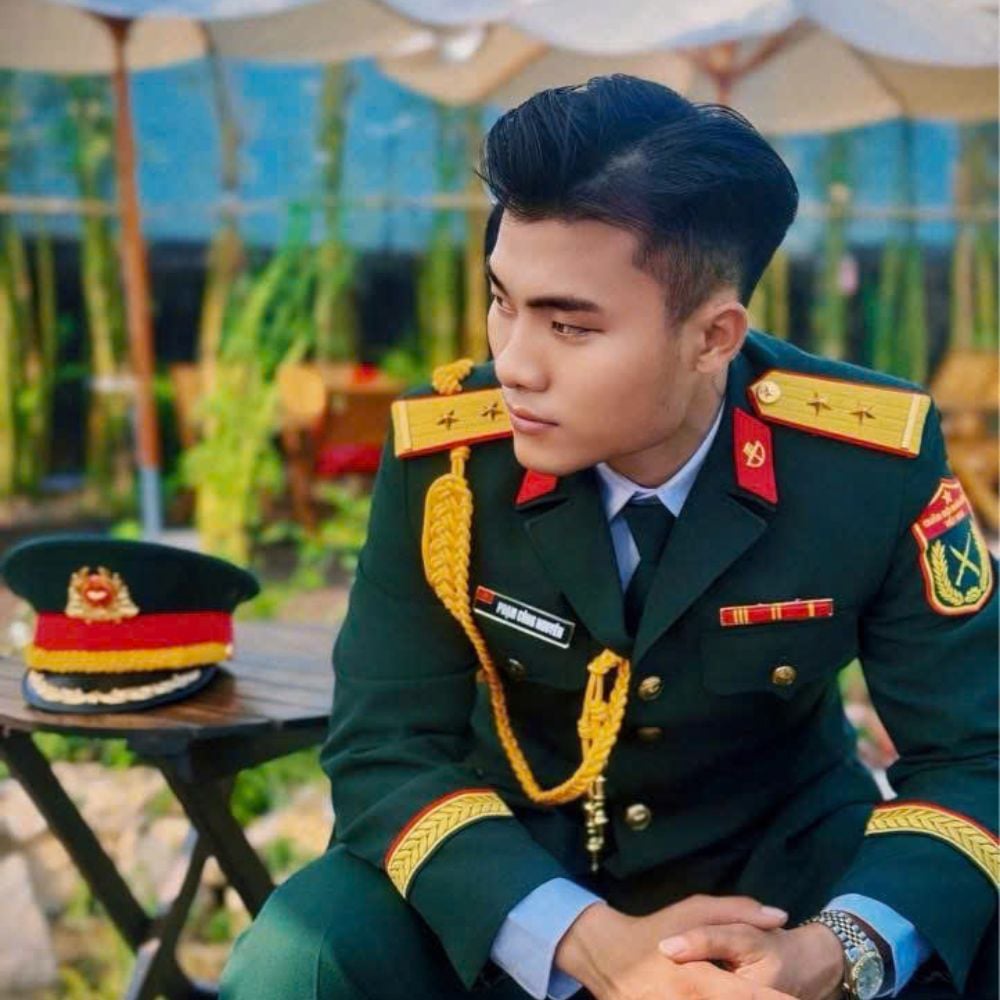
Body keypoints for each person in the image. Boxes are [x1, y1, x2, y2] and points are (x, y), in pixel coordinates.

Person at [221, 75, 998, 1000]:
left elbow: (974, 754)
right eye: (503, 301)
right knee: (300, 954)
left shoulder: (865, 463)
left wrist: (833, 952)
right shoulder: (449, 456)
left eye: (569, 325)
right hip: (510, 871)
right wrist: (584, 940)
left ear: (713, 337)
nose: (514, 363)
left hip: (783, 883)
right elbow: (385, 745)